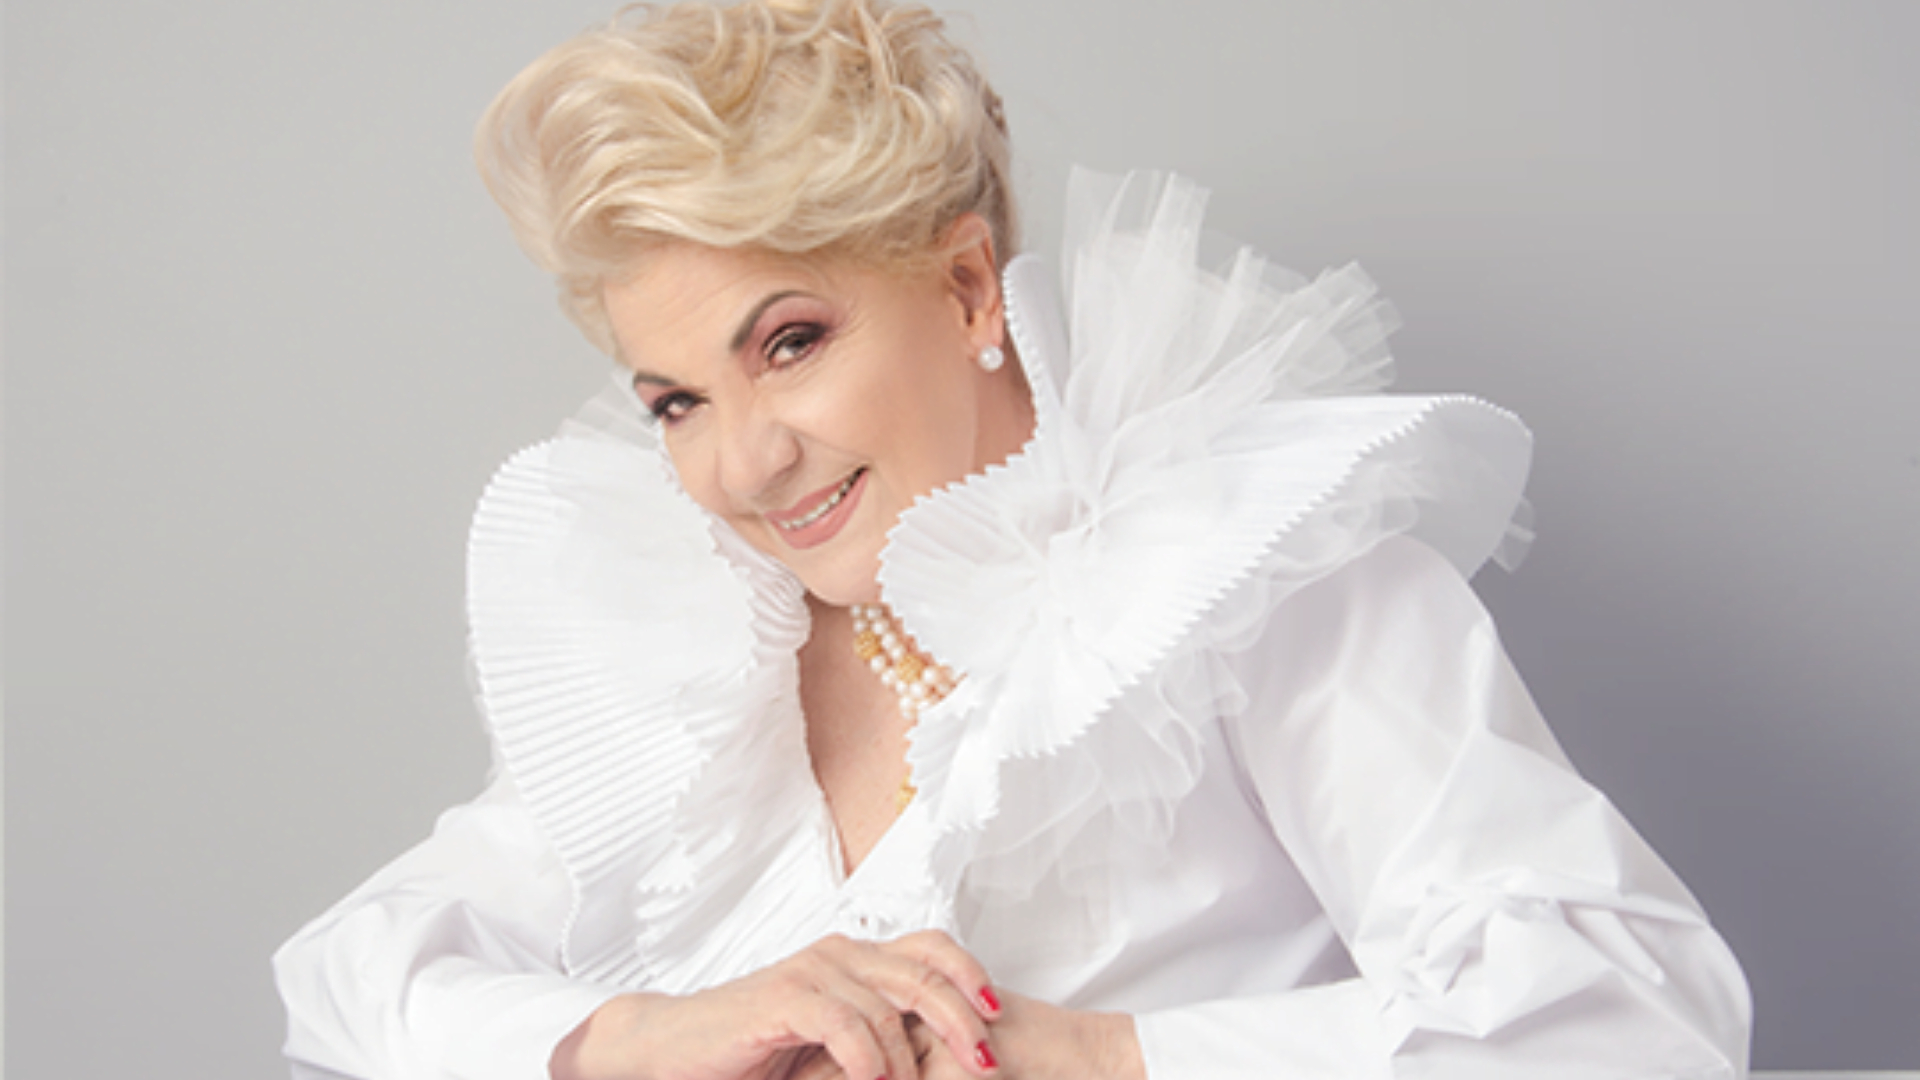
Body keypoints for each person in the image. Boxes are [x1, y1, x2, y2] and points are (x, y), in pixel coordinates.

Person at [273, 1, 1753, 1077]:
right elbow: (349, 974)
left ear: (969, 286)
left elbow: (1635, 1017)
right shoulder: (702, 645)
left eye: (791, 343)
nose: (743, 463)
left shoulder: (1243, 570)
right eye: (676, 401)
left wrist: (1102, 1057)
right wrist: (632, 1039)